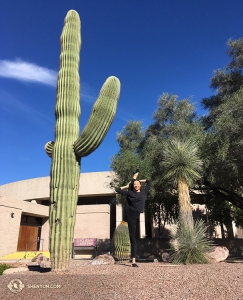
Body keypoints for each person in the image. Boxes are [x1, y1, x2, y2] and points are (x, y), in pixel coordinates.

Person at [115, 169, 151, 267]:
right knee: (133, 238)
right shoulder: (130, 193)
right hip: (130, 214)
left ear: (140, 185)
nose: (136, 185)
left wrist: (138, 180)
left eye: (137, 184)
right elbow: (117, 190)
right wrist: (127, 186)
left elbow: (149, 181)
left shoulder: (144, 192)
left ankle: (135, 175)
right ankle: (134, 261)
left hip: (136, 215)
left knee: (133, 238)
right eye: (134, 184)